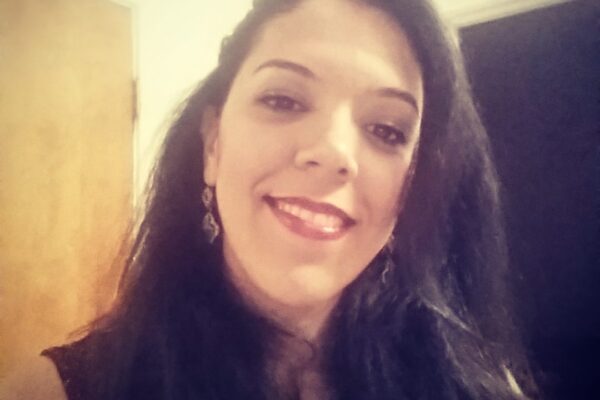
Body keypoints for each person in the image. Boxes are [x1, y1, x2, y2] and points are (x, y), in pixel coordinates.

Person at [3, 0, 538, 399]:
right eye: (283, 99)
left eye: (386, 130)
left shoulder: (478, 388)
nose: (334, 152)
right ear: (213, 144)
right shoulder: (54, 391)